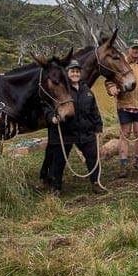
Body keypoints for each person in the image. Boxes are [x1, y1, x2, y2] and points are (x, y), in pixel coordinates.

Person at [42, 59, 104, 195]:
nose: (75, 73)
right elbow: (47, 107)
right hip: (66, 132)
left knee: (93, 157)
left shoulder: (86, 90)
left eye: (77, 71)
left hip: (85, 130)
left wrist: (98, 126)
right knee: (59, 160)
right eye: (72, 71)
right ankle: (56, 187)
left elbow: (94, 110)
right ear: (67, 73)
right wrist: (51, 117)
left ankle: (95, 183)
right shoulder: (61, 88)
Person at [105, 39, 138, 177]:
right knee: (125, 134)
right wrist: (111, 89)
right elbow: (109, 80)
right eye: (133, 48)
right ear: (129, 49)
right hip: (124, 105)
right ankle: (123, 164)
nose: (135, 51)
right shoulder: (121, 63)